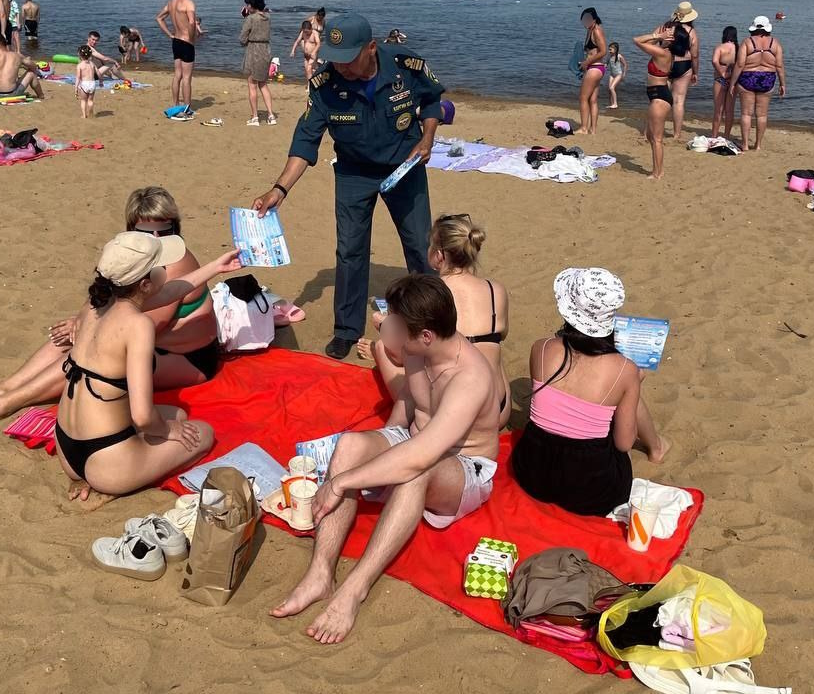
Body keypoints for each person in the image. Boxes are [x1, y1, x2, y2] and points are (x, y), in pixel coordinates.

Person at [271, 274, 502, 644]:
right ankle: (320, 573)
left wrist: (341, 482)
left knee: (415, 474)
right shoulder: (416, 347)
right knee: (350, 445)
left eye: (396, 321)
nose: (387, 324)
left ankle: (355, 589)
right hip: (417, 440)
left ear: (426, 336)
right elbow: (410, 399)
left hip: (463, 465)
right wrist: (381, 442)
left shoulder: (469, 378)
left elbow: (421, 456)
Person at [252, 14, 445, 359]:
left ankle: (432, 321)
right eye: (334, 58)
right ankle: (346, 329)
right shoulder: (325, 84)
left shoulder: (406, 66)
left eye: (348, 59)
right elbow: (305, 141)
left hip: (405, 168)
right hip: (354, 174)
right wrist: (279, 190)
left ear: (371, 48)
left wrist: (427, 138)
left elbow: (432, 101)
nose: (339, 66)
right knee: (350, 249)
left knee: (420, 246)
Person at [0, 187, 229, 425]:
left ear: (175, 228)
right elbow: (105, 292)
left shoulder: (177, 262)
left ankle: (6, 403)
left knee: (91, 351)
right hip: (150, 341)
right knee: (71, 332)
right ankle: (5, 387)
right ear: (131, 230)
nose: (156, 238)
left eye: (164, 230)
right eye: (146, 232)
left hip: (186, 359)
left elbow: (145, 326)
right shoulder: (133, 256)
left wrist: (89, 330)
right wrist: (79, 321)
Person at [54, 231, 241, 505]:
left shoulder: (99, 302)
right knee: (202, 434)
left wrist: (215, 267)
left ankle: (101, 475)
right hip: (107, 460)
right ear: (144, 284)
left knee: (177, 413)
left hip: (66, 448)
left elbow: (172, 291)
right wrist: (169, 432)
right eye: (161, 266)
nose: (167, 269)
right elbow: (142, 417)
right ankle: (114, 485)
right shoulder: (138, 325)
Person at [511, 268, 668, 517]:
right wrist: (633, 383)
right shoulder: (623, 369)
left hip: (533, 473)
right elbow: (624, 443)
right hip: (590, 490)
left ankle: (656, 445)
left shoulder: (541, 348)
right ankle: (656, 447)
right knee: (626, 395)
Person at [361, 213, 511, 430]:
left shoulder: (431, 294)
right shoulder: (495, 290)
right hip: (498, 409)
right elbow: (502, 333)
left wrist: (383, 324)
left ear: (439, 255)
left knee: (387, 347)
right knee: (488, 346)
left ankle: (376, 350)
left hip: (453, 416)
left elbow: (403, 352)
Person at [632, 21, 683, 179]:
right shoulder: (664, 50)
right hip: (656, 95)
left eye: (669, 33)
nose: (665, 33)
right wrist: (659, 35)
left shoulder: (663, 53)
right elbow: (649, 43)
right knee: (650, 136)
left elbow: (637, 40)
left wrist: (657, 35)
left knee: (656, 139)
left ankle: (657, 173)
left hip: (660, 97)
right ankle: (657, 170)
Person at [728, 15, 786, 152]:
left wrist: (732, 83)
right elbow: (779, 66)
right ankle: (758, 145)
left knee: (746, 113)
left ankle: (745, 145)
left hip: (748, 77)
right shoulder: (775, 43)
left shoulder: (747, 42)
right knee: (762, 115)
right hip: (767, 78)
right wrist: (782, 84)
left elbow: (740, 64)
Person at [156, 0, 204, 118]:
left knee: (177, 75)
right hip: (186, 42)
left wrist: (169, 34)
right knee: (187, 77)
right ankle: (186, 108)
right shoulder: (188, 3)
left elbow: (159, 18)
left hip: (176, 40)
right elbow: (191, 22)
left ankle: (176, 105)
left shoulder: (171, 2)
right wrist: (192, 39)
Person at [240, 0, 275, 126]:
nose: (246, 7)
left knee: (252, 85)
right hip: (266, 50)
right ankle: (271, 115)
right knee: (263, 84)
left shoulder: (251, 18)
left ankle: (255, 117)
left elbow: (242, 39)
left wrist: (246, 19)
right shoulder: (268, 17)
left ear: (252, 5)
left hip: (254, 51)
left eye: (248, 4)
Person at [666, 1, 700, 139]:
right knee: (678, 101)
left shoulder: (668, 28)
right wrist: (695, 72)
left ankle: (652, 130)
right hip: (684, 65)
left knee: (660, 99)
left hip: (666, 63)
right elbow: (695, 55)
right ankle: (676, 134)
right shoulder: (692, 32)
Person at [574, 7, 606, 135]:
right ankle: (593, 130)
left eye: (587, 19)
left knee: (583, 98)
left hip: (595, 68)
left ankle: (584, 128)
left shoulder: (597, 30)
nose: (585, 22)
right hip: (595, 68)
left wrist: (586, 63)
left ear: (594, 19)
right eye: (583, 20)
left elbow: (603, 51)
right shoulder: (590, 30)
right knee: (592, 100)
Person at [710, 26, 738, 139]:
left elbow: (714, 61)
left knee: (718, 110)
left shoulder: (720, 47)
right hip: (733, 80)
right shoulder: (738, 48)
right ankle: (726, 136)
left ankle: (714, 135)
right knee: (729, 111)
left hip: (720, 79)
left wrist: (721, 72)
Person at [75, 45, 98, 119]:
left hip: (84, 84)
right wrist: (101, 81)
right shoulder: (92, 64)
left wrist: (76, 87)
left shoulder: (79, 65)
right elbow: (98, 73)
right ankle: (91, 112)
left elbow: (78, 77)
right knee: (90, 100)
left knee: (83, 100)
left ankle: (84, 115)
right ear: (90, 55)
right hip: (92, 84)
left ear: (79, 55)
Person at [605, 42, 626, 110]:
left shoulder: (619, 56)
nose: (609, 51)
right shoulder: (609, 56)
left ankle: (615, 104)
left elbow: (625, 65)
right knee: (609, 89)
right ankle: (612, 104)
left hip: (618, 74)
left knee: (612, 88)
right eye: (609, 49)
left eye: (610, 49)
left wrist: (624, 73)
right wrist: (603, 67)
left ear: (615, 49)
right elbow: (606, 64)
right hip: (612, 74)